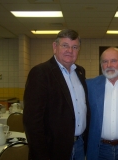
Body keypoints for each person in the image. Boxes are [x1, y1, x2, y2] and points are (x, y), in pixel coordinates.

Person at [23, 29, 90, 160]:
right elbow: (32, 121)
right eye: (65, 45)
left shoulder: (80, 72)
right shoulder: (40, 73)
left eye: (74, 47)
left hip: (80, 145)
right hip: (52, 149)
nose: (70, 51)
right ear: (55, 47)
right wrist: (41, 155)